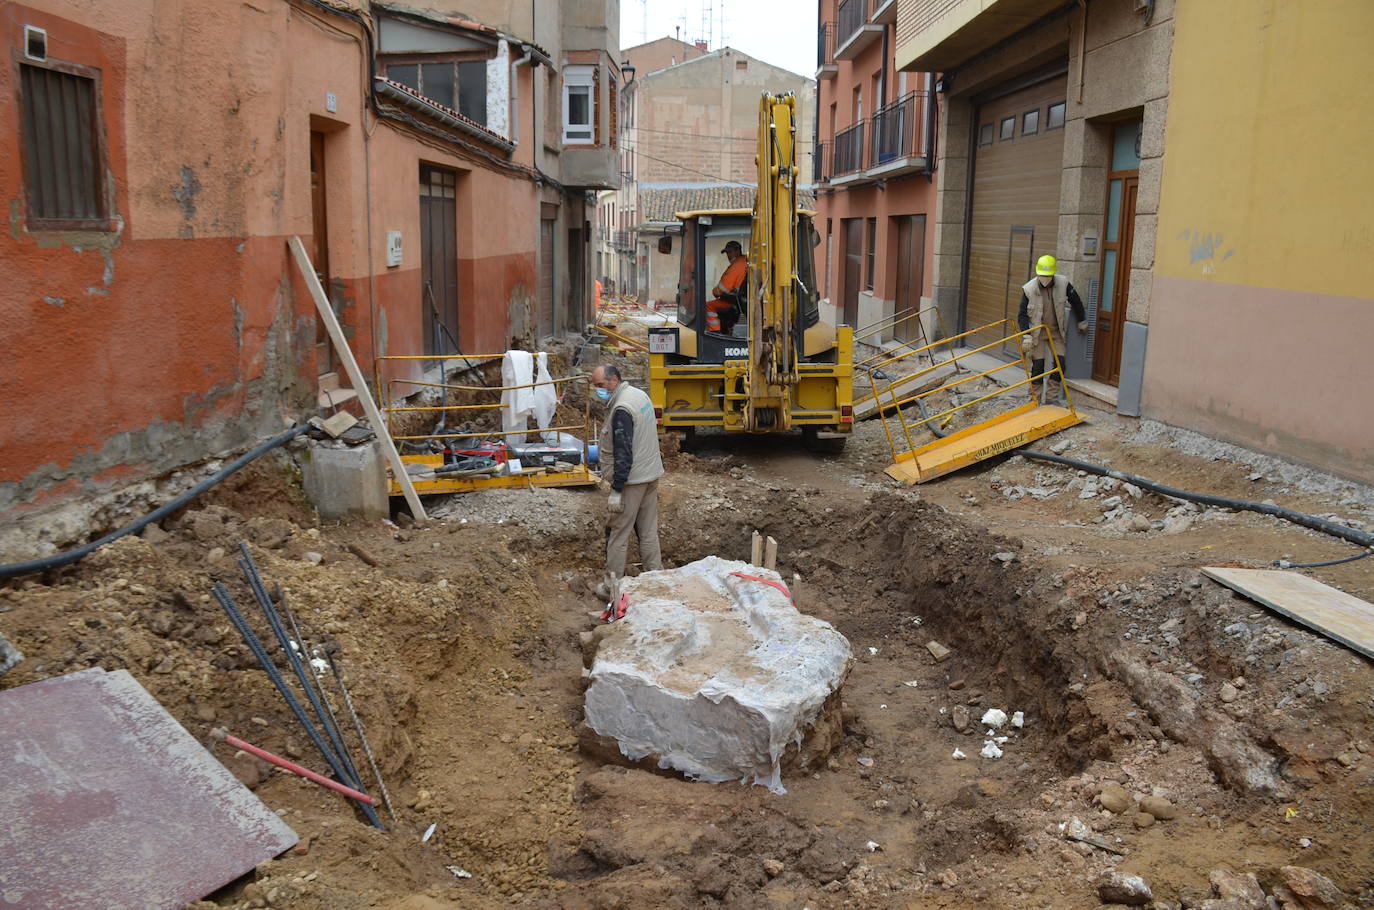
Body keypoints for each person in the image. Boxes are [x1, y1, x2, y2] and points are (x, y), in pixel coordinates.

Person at [591, 364, 664, 600]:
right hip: (650, 474)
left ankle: (612, 587)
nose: (598, 391)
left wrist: (617, 489)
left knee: (618, 534)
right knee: (648, 530)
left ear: (613, 381)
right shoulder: (639, 395)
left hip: (632, 481)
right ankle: (657, 579)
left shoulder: (622, 409)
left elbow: (624, 453)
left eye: (600, 386)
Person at [1017, 254, 1087, 404]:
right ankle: (1034, 400)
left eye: (1048, 275)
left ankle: (1051, 399)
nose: (1045, 278)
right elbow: (1022, 315)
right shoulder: (1029, 289)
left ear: (1053, 274)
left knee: (1060, 364)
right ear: (1037, 273)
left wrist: (1082, 320)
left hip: (1056, 332)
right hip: (1037, 333)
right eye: (1042, 275)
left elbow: (1076, 301)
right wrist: (1026, 336)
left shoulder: (1063, 284)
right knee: (1038, 366)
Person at [708, 240, 748, 334]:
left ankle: (715, 333)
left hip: (734, 301)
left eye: (730, 252)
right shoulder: (745, 262)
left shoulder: (737, 265)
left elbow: (722, 289)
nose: (728, 255)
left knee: (708, 306)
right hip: (740, 301)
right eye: (727, 253)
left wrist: (714, 291)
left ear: (738, 251)